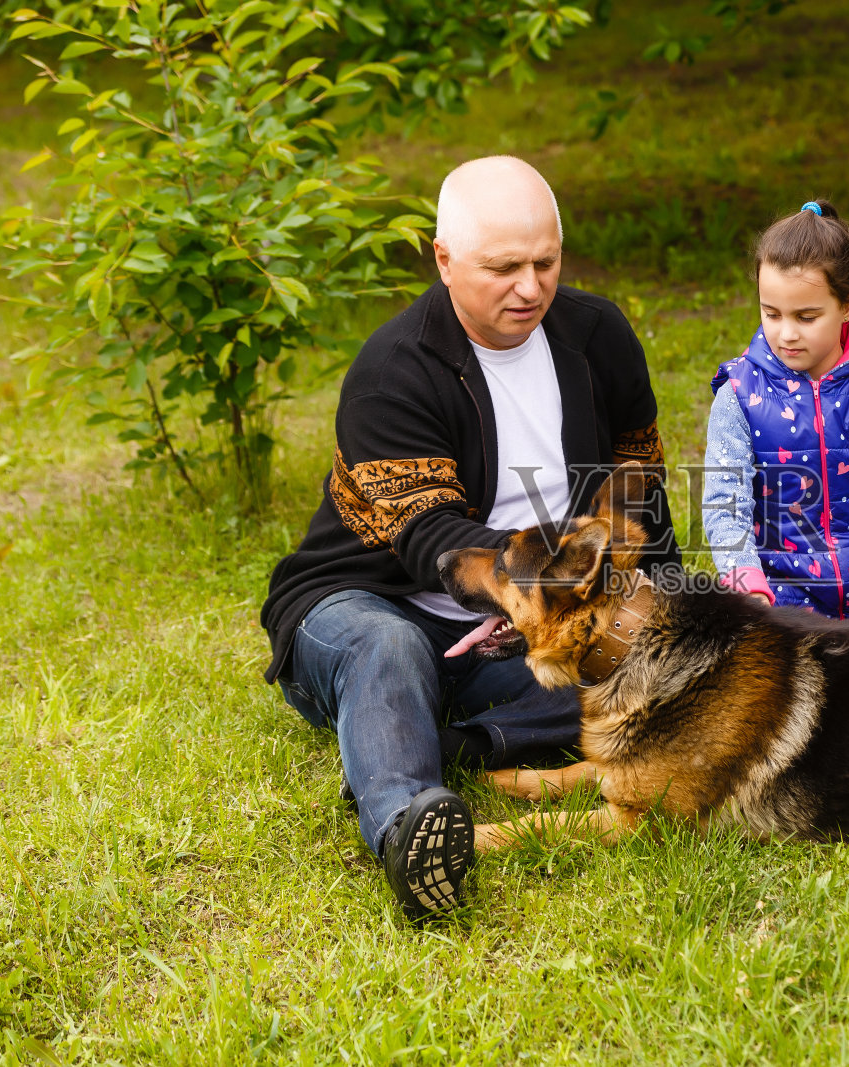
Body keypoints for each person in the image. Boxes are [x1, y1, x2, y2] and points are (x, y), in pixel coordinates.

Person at [259, 156, 680, 919]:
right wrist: (553, 586)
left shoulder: (598, 336)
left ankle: (466, 743)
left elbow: (637, 484)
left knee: (656, 660)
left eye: (546, 262)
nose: (531, 287)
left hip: (533, 620)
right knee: (388, 652)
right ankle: (409, 827)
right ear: (444, 259)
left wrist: (665, 607)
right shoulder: (394, 370)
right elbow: (433, 539)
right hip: (368, 599)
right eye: (503, 267)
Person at [702, 200, 849, 640]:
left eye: (806, 317)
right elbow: (725, 506)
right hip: (780, 605)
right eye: (770, 313)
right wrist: (747, 588)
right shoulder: (738, 394)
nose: (786, 333)